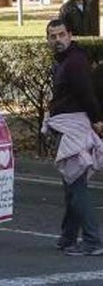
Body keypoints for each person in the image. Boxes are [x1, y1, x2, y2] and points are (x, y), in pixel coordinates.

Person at [43, 18, 103, 255]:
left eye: (61, 35)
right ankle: (68, 236)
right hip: (70, 127)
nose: (57, 40)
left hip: (74, 129)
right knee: (71, 184)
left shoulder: (74, 62)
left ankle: (92, 240)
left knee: (76, 185)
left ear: (70, 35)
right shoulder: (67, 61)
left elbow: (86, 93)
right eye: (52, 36)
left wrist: (97, 120)